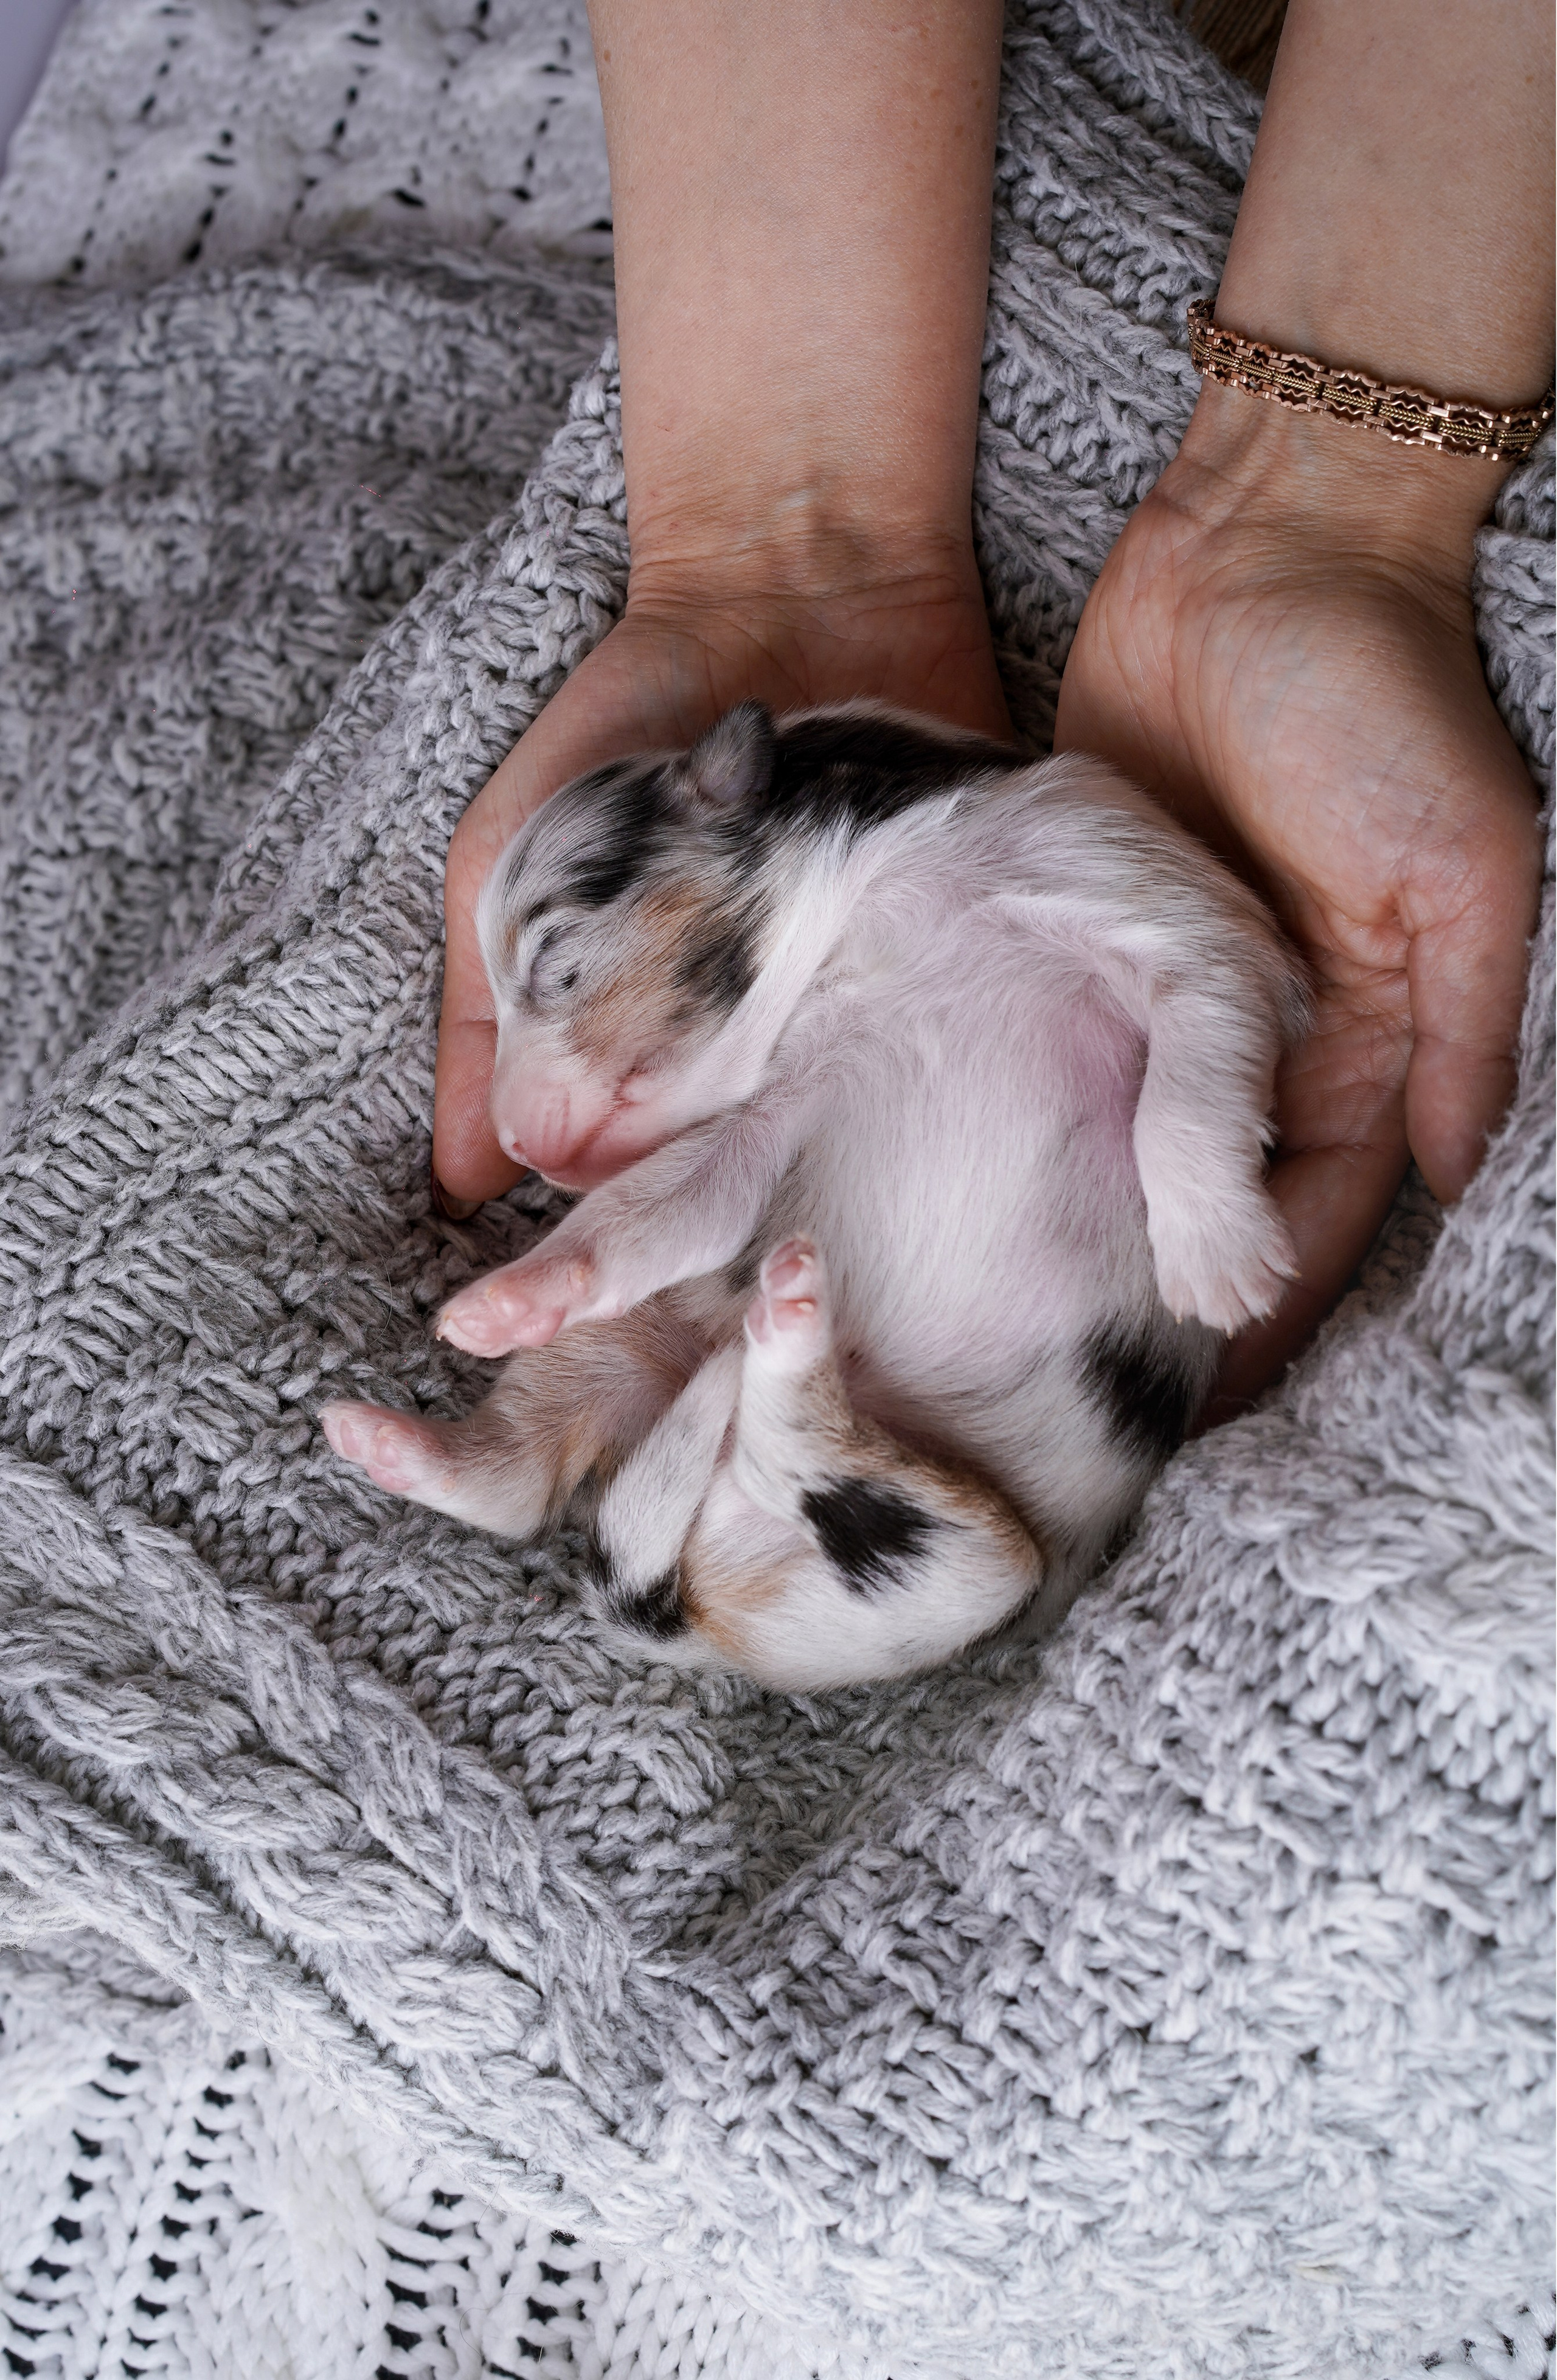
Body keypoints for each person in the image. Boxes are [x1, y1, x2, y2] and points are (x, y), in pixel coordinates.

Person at [429, 0, 1554, 1407]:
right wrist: (767, 534)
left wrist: (1323, 508)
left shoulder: (1017, 844)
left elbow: (1207, 977)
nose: (521, 1130)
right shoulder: (838, 930)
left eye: (559, 977)